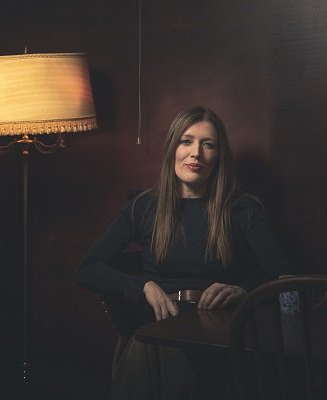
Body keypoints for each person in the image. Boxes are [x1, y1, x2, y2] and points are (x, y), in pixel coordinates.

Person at [76, 106, 294, 399]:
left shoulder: (243, 209)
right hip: (161, 329)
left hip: (221, 336)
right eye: (186, 141)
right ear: (172, 149)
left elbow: (286, 282)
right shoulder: (143, 207)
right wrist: (142, 287)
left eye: (208, 144)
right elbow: (87, 269)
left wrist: (244, 292)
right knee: (153, 346)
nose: (196, 153)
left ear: (219, 156)